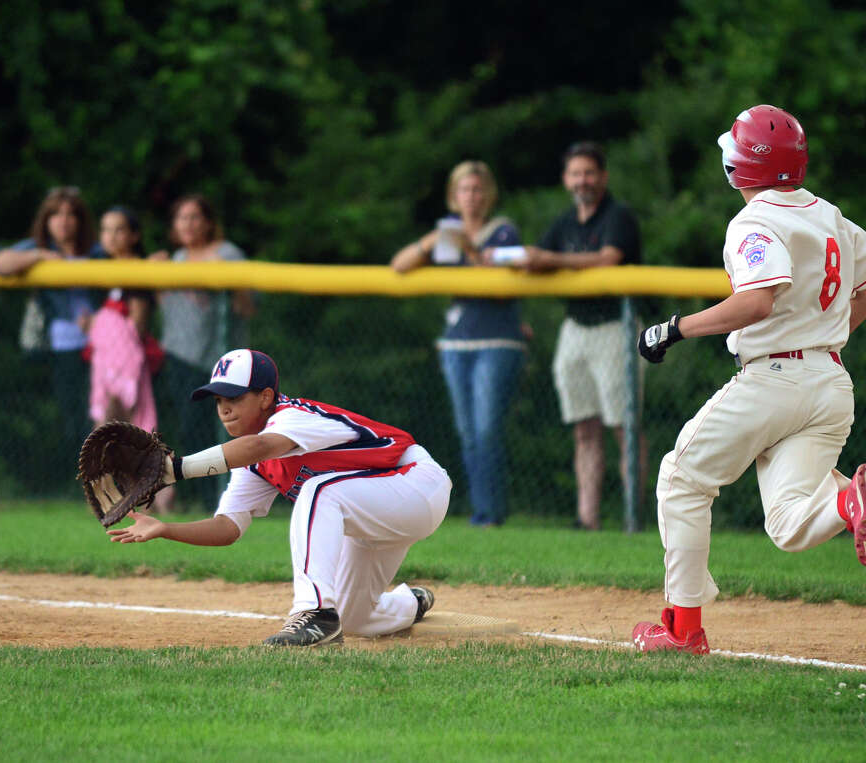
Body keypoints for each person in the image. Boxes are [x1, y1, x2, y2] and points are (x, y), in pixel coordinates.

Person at [631, 105, 866, 654]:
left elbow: (756, 301)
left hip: (774, 378)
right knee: (789, 524)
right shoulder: (830, 215)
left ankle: (683, 632)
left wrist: (675, 329)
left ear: (737, 167)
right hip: (830, 380)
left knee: (681, 479)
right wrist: (822, 334)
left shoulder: (753, 221)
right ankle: (849, 505)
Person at [106, 348, 450, 647]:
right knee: (356, 620)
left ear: (267, 397)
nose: (225, 409)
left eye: (235, 397)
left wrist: (172, 471)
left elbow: (258, 446)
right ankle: (411, 603)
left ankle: (314, 614)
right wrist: (165, 528)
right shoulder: (250, 464)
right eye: (219, 400)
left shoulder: (293, 417)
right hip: (375, 513)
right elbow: (227, 528)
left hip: (416, 485)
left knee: (319, 491)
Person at [508, 142, 645, 530]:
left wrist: (547, 260)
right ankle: (588, 519)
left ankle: (635, 517)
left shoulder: (618, 215)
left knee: (625, 429)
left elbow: (608, 258)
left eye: (589, 172)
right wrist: (509, 259)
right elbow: (539, 257)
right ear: (566, 179)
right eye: (575, 173)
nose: (582, 180)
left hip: (615, 327)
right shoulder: (566, 222)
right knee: (584, 428)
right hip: (576, 329)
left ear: (602, 176)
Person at [391, 160, 526, 527]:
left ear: (490, 195)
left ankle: (492, 513)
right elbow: (399, 266)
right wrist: (431, 242)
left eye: (479, 189)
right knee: (469, 434)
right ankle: (481, 511)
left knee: (487, 431)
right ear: (454, 196)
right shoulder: (448, 235)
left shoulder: (503, 233)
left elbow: (496, 284)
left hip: (496, 340)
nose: (472, 197)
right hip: (457, 343)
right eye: (465, 190)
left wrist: (465, 248)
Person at [153, 194, 256, 511]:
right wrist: (156, 274)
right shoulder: (175, 259)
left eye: (195, 217)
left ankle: (230, 498)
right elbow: (168, 308)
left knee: (228, 430)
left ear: (209, 222)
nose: (188, 224)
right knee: (190, 428)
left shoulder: (227, 254)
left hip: (220, 360)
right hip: (181, 355)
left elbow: (248, 307)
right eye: (182, 218)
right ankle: (199, 498)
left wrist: (225, 278)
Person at [0, 186, 100, 471]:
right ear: (46, 220)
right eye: (56, 214)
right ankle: (85, 480)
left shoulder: (97, 251)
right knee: (73, 417)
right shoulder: (39, 248)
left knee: (101, 416)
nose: (63, 221)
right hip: (60, 346)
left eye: (70, 214)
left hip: (100, 346)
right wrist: (39, 256)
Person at [85, 206, 160, 433]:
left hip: (125, 359)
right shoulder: (102, 269)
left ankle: (117, 468)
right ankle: (104, 467)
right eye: (106, 230)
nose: (111, 236)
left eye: (119, 230)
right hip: (104, 358)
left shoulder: (137, 269)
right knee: (104, 422)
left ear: (134, 236)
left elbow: (137, 324)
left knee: (119, 421)